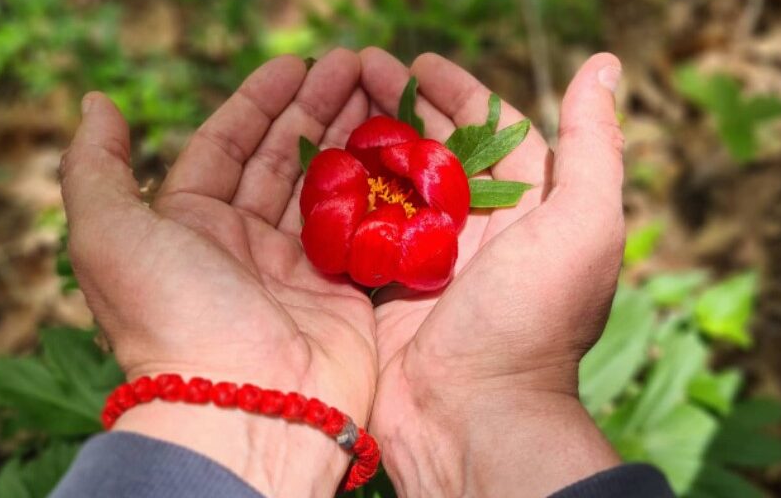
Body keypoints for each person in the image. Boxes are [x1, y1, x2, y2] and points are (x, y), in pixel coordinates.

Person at [51, 47, 674, 498]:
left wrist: (501, 390)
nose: (391, 201)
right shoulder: (349, 190)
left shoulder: (405, 187)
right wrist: (498, 405)